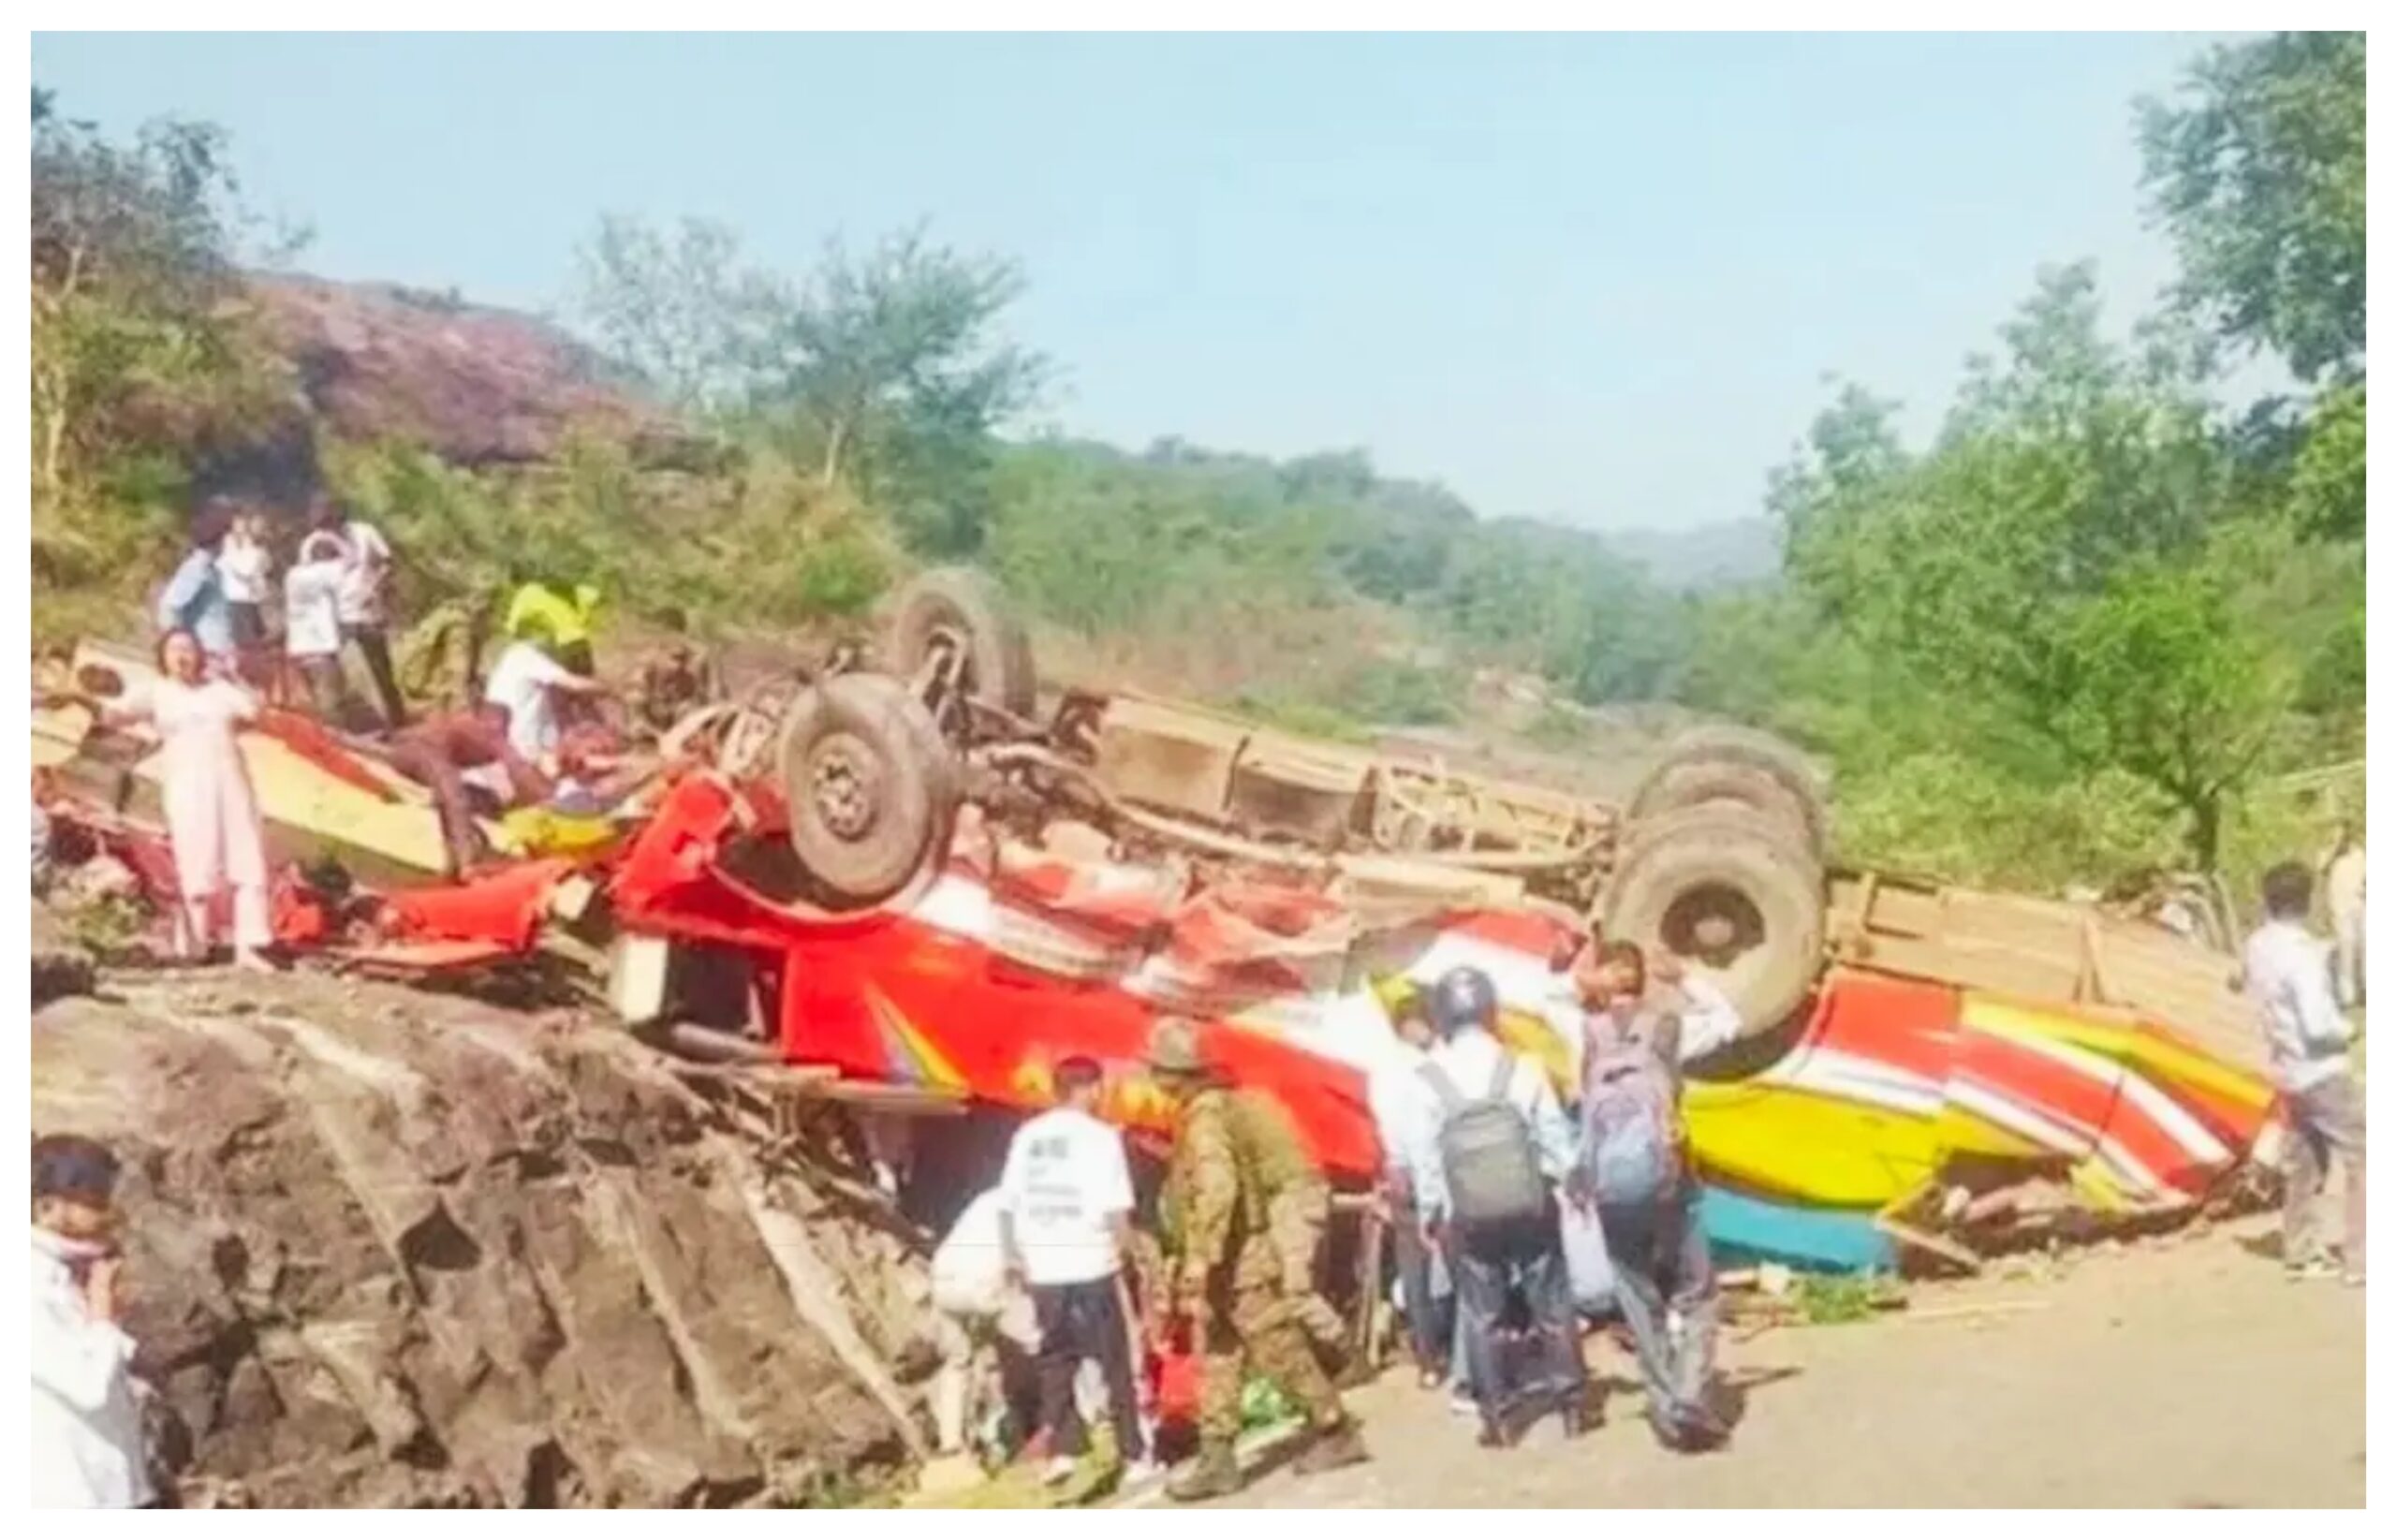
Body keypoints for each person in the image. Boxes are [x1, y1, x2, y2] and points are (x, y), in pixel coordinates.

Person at [1149, 1018, 1366, 1501]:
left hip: (1239, 1260)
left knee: (1277, 1349)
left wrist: (1201, 1258)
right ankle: (1218, 1455)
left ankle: (1335, 1427)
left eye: (1157, 1069)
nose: (1152, 1078)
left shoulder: (1206, 1117)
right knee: (1220, 1358)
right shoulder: (1208, 1110)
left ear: (1176, 1073)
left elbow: (1219, 1189)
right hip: (1230, 1259)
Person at [1402, 966, 1585, 1449]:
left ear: (1441, 1016)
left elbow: (1425, 1157)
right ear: (1490, 1010)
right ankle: (1571, 1405)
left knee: (1482, 1312)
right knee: (1552, 1302)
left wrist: (1429, 1214)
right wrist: (1570, 1180)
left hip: (1469, 1215)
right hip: (1531, 1203)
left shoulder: (1426, 1079)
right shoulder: (1521, 1066)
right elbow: (1553, 1133)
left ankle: (1499, 1416)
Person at [1573, 940, 1728, 1450]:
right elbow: (1728, 1020)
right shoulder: (1668, 1025)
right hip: (1669, 1179)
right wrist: (1683, 975)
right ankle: (1689, 1395)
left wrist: (1582, 982)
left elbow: (1546, 994)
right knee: (1697, 1292)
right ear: (1645, 978)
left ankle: (1664, 1403)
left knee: (1636, 1294)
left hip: (1611, 1189)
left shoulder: (1584, 1032)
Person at [55, 631, 275, 970]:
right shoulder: (157, 692)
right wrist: (76, 696)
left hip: (230, 779)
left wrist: (239, 677)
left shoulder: (219, 691)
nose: (182, 656)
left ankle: (250, 946)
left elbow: (254, 713)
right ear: (163, 657)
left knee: (244, 856)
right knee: (195, 857)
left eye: (188, 649)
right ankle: (194, 944)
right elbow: (112, 714)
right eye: (174, 650)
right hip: (187, 781)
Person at [996, 1056, 1154, 1487]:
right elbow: (1116, 1209)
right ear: (1091, 1089)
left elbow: (1008, 1205)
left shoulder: (1027, 1136)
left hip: (1044, 1264)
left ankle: (1065, 1447)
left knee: (1055, 1358)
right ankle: (1133, 1453)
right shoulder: (1102, 1138)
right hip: (1091, 1261)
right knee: (1114, 1360)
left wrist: (1014, 1256)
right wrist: (1132, 1254)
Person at [2243, 861, 2365, 1285]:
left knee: (2306, 1162)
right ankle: (2362, 1257)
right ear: (2308, 901)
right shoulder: (2303, 956)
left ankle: (2301, 1249)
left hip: (2288, 1070)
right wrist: (2348, 1030)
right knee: (2366, 1154)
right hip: (2322, 1069)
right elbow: (2318, 1024)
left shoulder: (2258, 947)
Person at [33, 1134, 152, 1509]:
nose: (108, 1212)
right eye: (95, 1200)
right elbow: (88, 1386)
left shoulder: (65, 1272)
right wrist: (101, 1313)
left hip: (112, 1486)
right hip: (67, 1494)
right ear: (47, 1206)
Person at [1366, 990, 1452, 1388]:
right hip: (1435, 1171)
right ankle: (1461, 1345)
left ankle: (1427, 1358)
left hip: (1398, 1172)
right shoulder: (1432, 1068)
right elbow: (1439, 1127)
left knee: (1412, 1267)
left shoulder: (1380, 1071)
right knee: (1456, 1260)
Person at [927, 1185, 1042, 1458]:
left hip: (943, 1278)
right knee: (1038, 1342)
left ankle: (950, 1443)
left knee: (957, 1361)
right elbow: (1020, 1260)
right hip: (983, 1280)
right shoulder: (1024, 1203)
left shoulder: (987, 1198)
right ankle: (1070, 1416)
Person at [388, 702, 551, 877]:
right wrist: (550, 801)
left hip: (414, 754)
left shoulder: (476, 730)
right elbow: (517, 766)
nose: (500, 731)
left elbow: (518, 769)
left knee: (467, 798)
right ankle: (468, 863)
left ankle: (454, 860)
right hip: (417, 749)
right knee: (453, 793)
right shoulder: (483, 730)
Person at [314, 497, 407, 728]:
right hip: (337, 614)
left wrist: (375, 586)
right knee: (334, 669)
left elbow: (387, 561)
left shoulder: (365, 532)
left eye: (336, 524)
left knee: (381, 669)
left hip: (366, 609)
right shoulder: (318, 541)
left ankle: (398, 721)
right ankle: (347, 721)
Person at [482, 631, 611, 770]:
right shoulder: (528, 657)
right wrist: (614, 689)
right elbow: (575, 685)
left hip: (517, 745)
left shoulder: (516, 658)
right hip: (526, 749)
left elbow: (568, 708)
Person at [153, 500, 239, 676]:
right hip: (207, 660)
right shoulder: (197, 568)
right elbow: (170, 606)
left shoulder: (212, 570)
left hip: (219, 657)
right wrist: (180, 649)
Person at [282, 531, 351, 724]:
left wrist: (311, 540)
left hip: (299, 648)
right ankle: (335, 739)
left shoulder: (292, 575)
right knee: (331, 702)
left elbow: (305, 557)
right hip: (322, 647)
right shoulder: (326, 572)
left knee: (314, 703)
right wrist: (332, 536)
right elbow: (351, 558)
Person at [503, 571, 602, 678]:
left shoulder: (527, 593)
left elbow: (513, 628)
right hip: (581, 641)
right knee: (586, 682)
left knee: (566, 685)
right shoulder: (569, 590)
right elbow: (596, 596)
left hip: (560, 646)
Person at [217, 507, 273, 682]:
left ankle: (257, 678)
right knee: (243, 646)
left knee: (255, 645)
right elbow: (242, 570)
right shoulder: (228, 546)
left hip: (251, 602)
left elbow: (260, 568)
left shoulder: (256, 550)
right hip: (236, 601)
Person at [2321, 827, 2365, 1011]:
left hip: (2361, 905)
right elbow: (2322, 869)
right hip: (2340, 907)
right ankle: (2348, 995)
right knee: (2346, 948)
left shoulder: (2360, 854)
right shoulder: (2327, 853)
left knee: (2366, 947)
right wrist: (2334, 851)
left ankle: (2366, 989)